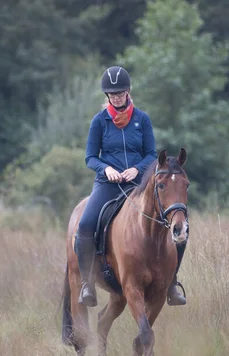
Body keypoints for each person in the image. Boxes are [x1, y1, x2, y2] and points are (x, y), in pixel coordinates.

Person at [75, 65, 187, 308]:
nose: (116, 97)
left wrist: (136, 169)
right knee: (85, 224)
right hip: (108, 184)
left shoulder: (142, 120)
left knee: (179, 225)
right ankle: (87, 284)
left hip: (139, 184)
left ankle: (172, 283)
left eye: (120, 93)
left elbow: (150, 155)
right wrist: (107, 169)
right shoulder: (99, 122)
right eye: (112, 94)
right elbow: (90, 157)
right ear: (107, 96)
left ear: (128, 92)